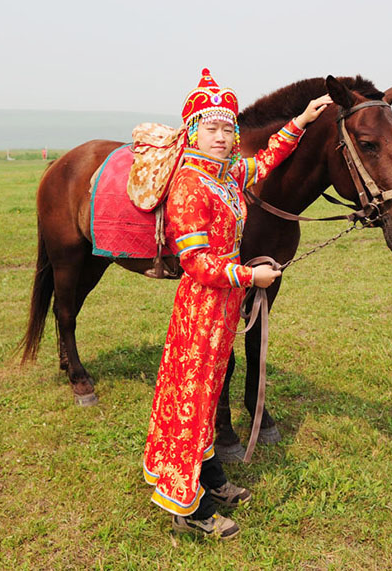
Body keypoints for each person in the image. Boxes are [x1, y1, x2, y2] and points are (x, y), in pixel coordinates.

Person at [142, 68, 332, 539]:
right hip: (201, 309)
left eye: (229, 128)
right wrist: (252, 275)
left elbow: (266, 159)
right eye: (211, 127)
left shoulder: (224, 176)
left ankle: (210, 478)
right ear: (191, 131)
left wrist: (303, 119)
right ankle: (189, 507)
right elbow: (198, 263)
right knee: (191, 400)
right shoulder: (189, 186)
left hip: (223, 310)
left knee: (206, 400)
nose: (223, 137)